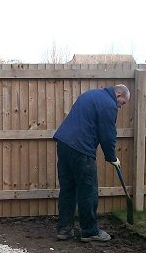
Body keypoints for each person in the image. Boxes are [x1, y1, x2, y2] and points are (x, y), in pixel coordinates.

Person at [53, 84, 130, 242]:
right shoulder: (109, 104)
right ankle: (90, 231)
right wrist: (112, 157)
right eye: (123, 103)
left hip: (63, 143)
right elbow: (108, 135)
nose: (121, 107)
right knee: (88, 189)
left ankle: (64, 229)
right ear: (119, 95)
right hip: (81, 148)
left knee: (68, 188)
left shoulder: (91, 95)